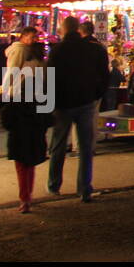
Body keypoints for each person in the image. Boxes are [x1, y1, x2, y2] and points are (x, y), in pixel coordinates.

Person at [46, 16, 109, 202]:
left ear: (63, 30)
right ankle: (84, 188)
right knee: (85, 147)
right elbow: (104, 76)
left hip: (63, 103)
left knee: (58, 145)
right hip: (85, 101)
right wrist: (96, 94)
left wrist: (52, 102)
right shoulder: (94, 50)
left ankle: (54, 185)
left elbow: (50, 78)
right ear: (79, 30)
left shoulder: (57, 51)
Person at [1, 28, 50, 213]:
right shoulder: (43, 69)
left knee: (22, 164)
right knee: (29, 162)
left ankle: (25, 198)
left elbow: (9, 112)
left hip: (21, 121)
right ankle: (27, 196)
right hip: (35, 121)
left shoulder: (23, 76)